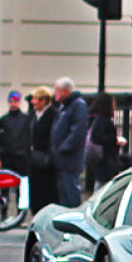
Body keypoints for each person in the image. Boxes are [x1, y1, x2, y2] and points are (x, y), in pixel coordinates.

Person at [49, 76, 89, 207]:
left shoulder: (78, 105)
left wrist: (63, 148)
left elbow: (77, 132)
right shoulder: (65, 106)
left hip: (70, 159)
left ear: (65, 91)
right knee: (64, 193)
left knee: (71, 191)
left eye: (56, 90)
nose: (55, 94)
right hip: (62, 160)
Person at [27, 86, 59, 213]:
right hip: (34, 158)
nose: (33, 102)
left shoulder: (53, 115)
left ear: (44, 100)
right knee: (35, 190)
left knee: (46, 191)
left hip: (47, 159)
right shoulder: (33, 115)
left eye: (36, 99)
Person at [86, 92, 123, 187]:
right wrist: (115, 141)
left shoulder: (98, 119)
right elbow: (100, 138)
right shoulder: (104, 121)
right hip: (106, 161)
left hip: (102, 162)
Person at [0, 91, 32, 176]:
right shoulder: (3, 120)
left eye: (15, 102)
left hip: (22, 157)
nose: (13, 104)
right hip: (7, 157)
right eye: (11, 102)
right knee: (5, 184)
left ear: (19, 102)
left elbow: (29, 138)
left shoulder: (26, 119)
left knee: (21, 183)